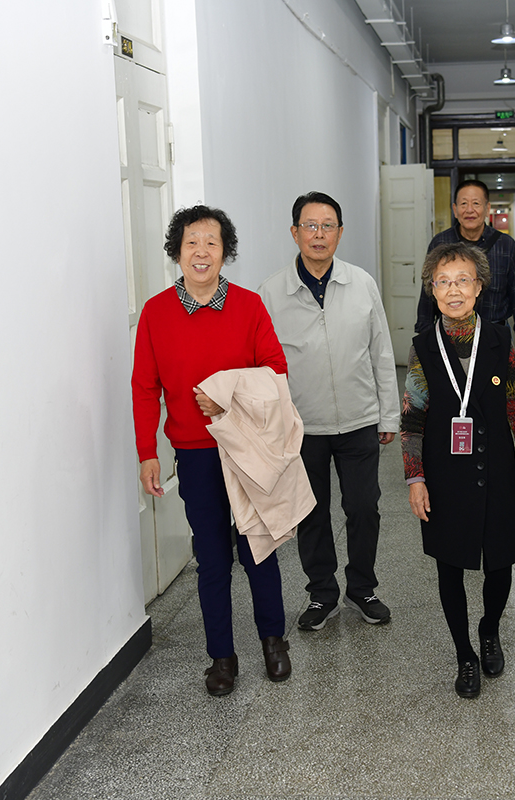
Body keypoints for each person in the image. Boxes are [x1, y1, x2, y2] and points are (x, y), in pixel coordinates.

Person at [132, 205, 292, 697]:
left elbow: (276, 371)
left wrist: (226, 394)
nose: (201, 252)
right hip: (195, 452)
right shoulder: (156, 313)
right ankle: (222, 657)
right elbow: (144, 387)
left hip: (246, 447)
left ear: (225, 252)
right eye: (191, 243)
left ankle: (273, 640)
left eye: (212, 243)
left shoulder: (248, 306)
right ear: (177, 251)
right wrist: (147, 451)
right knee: (213, 559)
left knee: (259, 547)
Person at [402, 241, 515, 699]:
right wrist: (415, 479)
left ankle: (489, 628)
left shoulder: (499, 340)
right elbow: (412, 420)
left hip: (497, 467)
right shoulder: (422, 347)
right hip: (445, 474)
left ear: (479, 287)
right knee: (450, 566)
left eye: (463, 280)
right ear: (432, 290)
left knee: (501, 562)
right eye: (443, 282)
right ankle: (464, 653)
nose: (453, 290)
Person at [258, 192, 400, 631]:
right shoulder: (272, 292)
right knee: (311, 514)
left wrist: (388, 414)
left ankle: (362, 588)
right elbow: (262, 367)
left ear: (340, 232)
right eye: (310, 225)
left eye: (328, 226)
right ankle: (322, 593)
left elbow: (381, 351)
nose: (318, 234)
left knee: (364, 507)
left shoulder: (362, 283)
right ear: (294, 232)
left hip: (359, 419)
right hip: (302, 426)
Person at [416, 180, 515, 371]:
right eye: (463, 204)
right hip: (450, 337)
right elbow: (428, 294)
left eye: (476, 203)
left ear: (487, 208)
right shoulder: (440, 243)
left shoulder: (505, 245)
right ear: (455, 210)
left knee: (498, 387)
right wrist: (424, 338)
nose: (469, 210)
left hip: (496, 336)